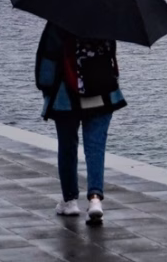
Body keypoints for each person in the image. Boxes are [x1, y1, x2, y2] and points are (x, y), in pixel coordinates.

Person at [35, 21, 126, 220]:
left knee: (67, 146)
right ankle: (95, 199)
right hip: (102, 94)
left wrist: (45, 89)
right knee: (95, 147)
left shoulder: (59, 21)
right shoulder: (106, 21)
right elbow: (111, 55)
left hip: (65, 97)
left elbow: (48, 58)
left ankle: (70, 200)